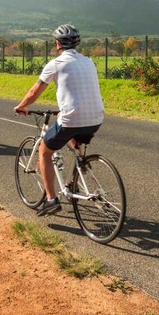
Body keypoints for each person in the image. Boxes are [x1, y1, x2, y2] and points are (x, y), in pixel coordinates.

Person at [14, 24, 104, 216]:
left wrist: (21, 106)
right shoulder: (89, 62)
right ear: (77, 43)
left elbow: (34, 91)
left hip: (73, 118)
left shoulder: (55, 64)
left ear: (57, 43)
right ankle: (80, 164)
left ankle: (51, 200)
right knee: (69, 127)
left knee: (44, 151)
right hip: (96, 117)